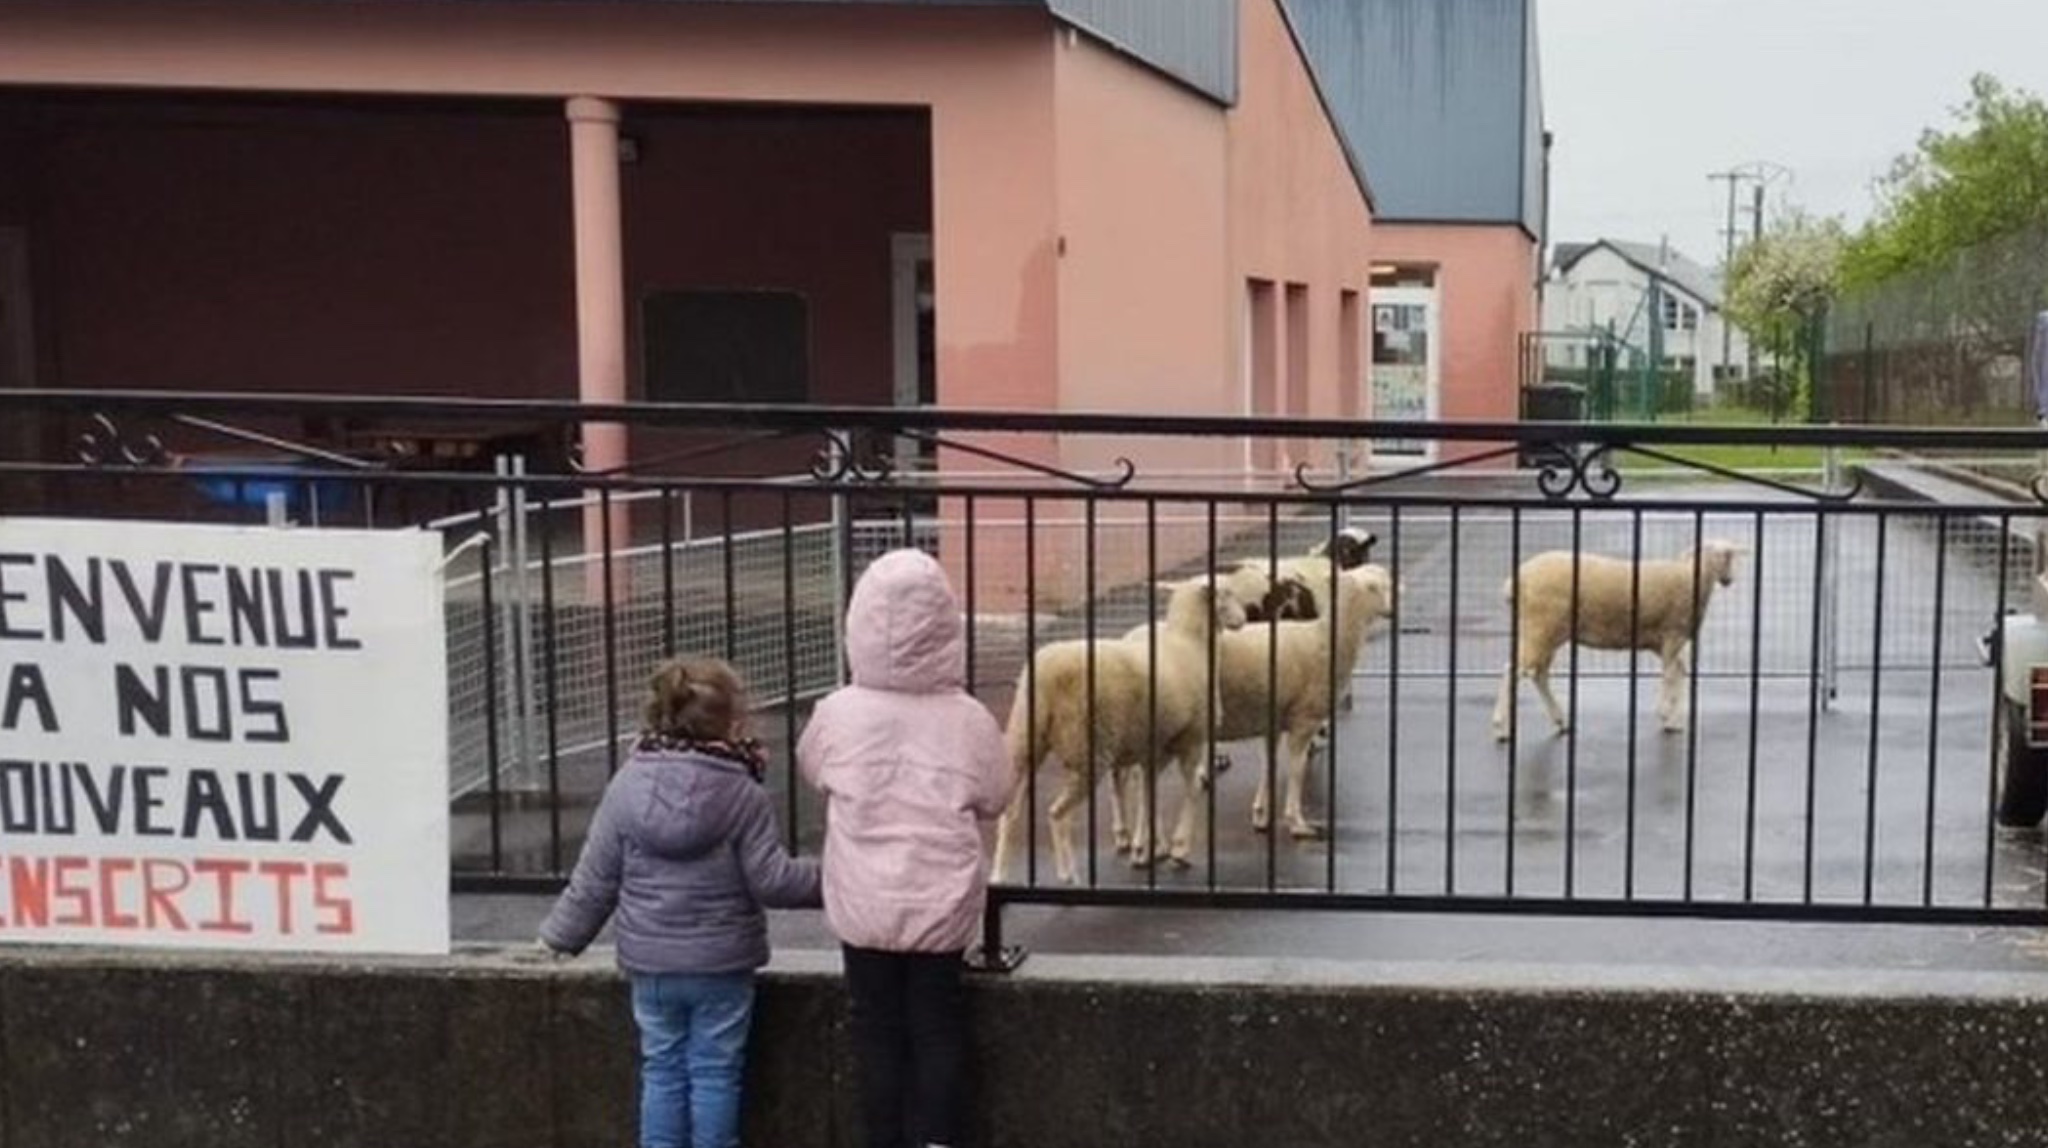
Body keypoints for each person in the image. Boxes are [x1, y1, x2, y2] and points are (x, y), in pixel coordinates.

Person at [540, 656, 821, 1148]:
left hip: (652, 963)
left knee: (662, 1067)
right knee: (715, 1071)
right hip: (722, 963)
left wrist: (560, 937)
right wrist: (837, 877)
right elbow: (772, 880)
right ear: (732, 723)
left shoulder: (626, 786)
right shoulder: (742, 793)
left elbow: (596, 878)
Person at [798, 548, 1012, 1148]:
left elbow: (813, 767)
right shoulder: (968, 719)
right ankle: (938, 1138)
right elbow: (996, 793)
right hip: (939, 904)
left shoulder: (837, 713)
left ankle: (881, 1137)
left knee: (874, 1029)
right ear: (947, 629)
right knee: (938, 1028)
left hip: (862, 903)